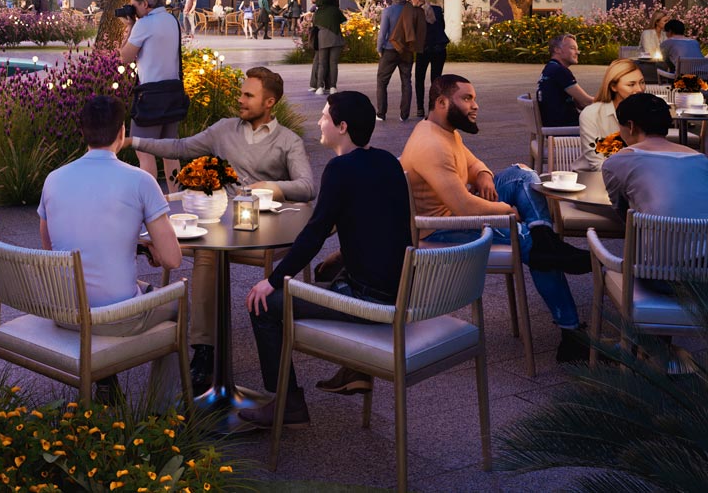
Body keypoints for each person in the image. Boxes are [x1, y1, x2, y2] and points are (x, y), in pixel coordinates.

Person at [129, 66, 314, 392]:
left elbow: (306, 186)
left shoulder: (288, 142)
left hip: (264, 227)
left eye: (248, 95)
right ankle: (204, 350)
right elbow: (180, 147)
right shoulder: (224, 129)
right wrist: (134, 140)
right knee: (207, 255)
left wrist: (270, 187)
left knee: (208, 252)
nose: (239, 99)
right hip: (220, 223)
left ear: (269, 102)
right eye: (241, 92)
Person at [238, 91, 411, 430]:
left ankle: (286, 403)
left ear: (342, 126)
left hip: (371, 301)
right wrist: (340, 256)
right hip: (398, 289)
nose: (319, 121)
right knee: (324, 271)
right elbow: (383, 226)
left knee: (263, 305)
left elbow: (314, 234)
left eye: (325, 116)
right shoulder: (388, 161)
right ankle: (356, 368)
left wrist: (271, 280)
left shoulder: (340, 169)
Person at [404, 74, 591, 362]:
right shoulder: (431, 145)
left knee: (523, 176)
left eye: (474, 98)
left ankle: (543, 233)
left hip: (460, 208)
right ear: (441, 102)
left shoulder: (444, 130)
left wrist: (483, 175)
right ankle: (571, 334)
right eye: (467, 99)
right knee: (533, 246)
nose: (475, 105)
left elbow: (473, 163)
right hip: (444, 227)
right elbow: (465, 207)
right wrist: (505, 211)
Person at [38, 96, 184, 380]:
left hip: (65, 312)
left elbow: (51, 249)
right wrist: (146, 245)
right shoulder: (140, 180)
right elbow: (172, 258)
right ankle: (163, 410)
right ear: (122, 133)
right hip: (117, 317)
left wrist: (134, 244)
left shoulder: (53, 179)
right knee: (178, 303)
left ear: (83, 132)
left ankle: (107, 387)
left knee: (119, 282)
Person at [604, 93, 708, 219]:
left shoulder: (617, 161)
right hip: (702, 237)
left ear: (631, 126)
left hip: (654, 236)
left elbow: (622, 213)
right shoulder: (701, 160)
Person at [119, 0, 186, 181]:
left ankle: (151, 203)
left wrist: (130, 26)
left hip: (150, 96)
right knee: (170, 151)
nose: (132, 11)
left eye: (134, 6)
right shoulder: (171, 19)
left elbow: (124, 58)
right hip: (173, 92)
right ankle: (175, 201)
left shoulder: (144, 24)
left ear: (145, 4)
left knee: (145, 152)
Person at [578, 58, 646, 168]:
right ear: (613, 86)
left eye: (642, 82)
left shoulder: (648, 111)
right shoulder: (592, 115)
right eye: (631, 84)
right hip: (592, 178)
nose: (639, 89)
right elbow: (597, 164)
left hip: (635, 177)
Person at [373, 0, 419, 121]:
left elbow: (383, 33)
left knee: (382, 81)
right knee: (406, 82)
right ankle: (404, 115)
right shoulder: (412, 11)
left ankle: (381, 113)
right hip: (407, 51)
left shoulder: (388, 11)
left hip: (390, 49)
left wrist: (379, 49)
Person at [537, 33, 595, 130]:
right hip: (565, 129)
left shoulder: (550, 68)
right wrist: (612, 102)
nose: (577, 52)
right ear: (557, 50)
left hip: (554, 126)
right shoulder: (559, 71)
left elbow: (580, 103)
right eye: (572, 48)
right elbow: (586, 101)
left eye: (577, 49)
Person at [410, 0, 448, 117]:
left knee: (419, 79)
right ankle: (433, 109)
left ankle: (420, 109)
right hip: (439, 49)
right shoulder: (437, 10)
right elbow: (442, 26)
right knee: (436, 80)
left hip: (424, 50)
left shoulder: (415, 12)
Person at [309, 0, 345, 96]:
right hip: (336, 40)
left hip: (322, 40)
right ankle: (333, 87)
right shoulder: (335, 10)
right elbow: (343, 20)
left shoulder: (317, 13)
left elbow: (314, 24)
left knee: (322, 63)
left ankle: (319, 87)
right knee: (333, 64)